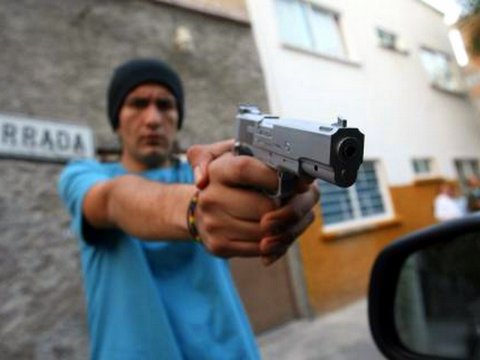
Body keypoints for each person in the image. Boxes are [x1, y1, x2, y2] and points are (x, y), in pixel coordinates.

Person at [57, 58, 319, 360]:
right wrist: (194, 209)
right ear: (116, 119)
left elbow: (245, 183)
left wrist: (283, 186)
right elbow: (114, 199)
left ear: (178, 117)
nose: (153, 118)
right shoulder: (83, 176)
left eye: (165, 105)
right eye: (138, 104)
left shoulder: (202, 175)